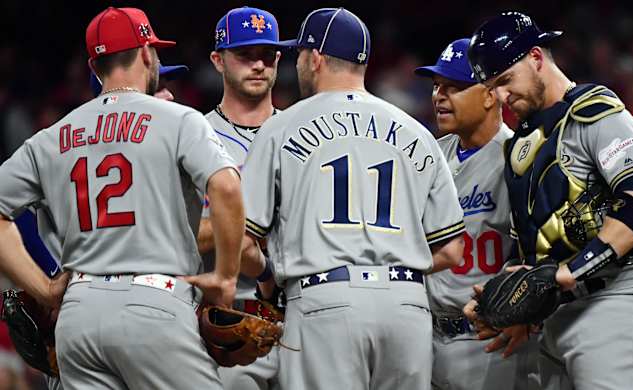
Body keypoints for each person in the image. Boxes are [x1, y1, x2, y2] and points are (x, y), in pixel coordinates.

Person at [0, 7, 243, 389]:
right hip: (154, 304)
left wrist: (44, 289)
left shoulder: (52, 135)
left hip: (78, 316)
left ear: (94, 66)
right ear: (147, 53)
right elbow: (227, 186)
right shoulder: (178, 119)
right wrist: (226, 277)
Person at [241, 8, 465, 389]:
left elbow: (245, 242)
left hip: (325, 301)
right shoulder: (416, 130)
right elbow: (453, 249)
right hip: (406, 306)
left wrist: (268, 279)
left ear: (315, 58)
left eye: (299, 56)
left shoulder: (280, 128)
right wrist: (391, 267)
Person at [464, 11, 633, 390]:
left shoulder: (595, 114)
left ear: (535, 57)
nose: (499, 96)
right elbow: (539, 243)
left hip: (614, 305)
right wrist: (511, 300)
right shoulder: (523, 145)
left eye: (505, 80)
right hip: (559, 317)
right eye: (492, 87)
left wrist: (566, 274)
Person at [414, 37, 538, 390]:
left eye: (453, 87)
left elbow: (535, 252)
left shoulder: (518, 157)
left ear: (489, 94)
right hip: (430, 339)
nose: (439, 96)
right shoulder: (428, 154)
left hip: (491, 340)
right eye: (437, 86)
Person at [198, 7, 285, 390]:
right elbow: (181, 234)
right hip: (232, 321)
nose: (258, 65)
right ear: (218, 60)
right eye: (245, 55)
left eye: (267, 56)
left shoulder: (301, 132)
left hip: (304, 314)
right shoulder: (195, 137)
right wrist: (246, 228)